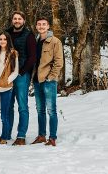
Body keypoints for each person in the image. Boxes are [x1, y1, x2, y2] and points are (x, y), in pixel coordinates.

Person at [5, 11, 36, 145]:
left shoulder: (28, 35)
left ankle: (21, 136)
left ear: (23, 20)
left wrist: (22, 72)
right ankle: (6, 134)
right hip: (7, 74)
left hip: (21, 75)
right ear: (12, 20)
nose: (17, 21)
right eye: (14, 18)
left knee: (22, 106)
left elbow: (33, 57)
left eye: (19, 19)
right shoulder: (6, 34)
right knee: (8, 105)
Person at [31, 17, 63, 146]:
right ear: (36, 27)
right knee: (40, 110)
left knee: (51, 110)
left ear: (48, 26)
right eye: (39, 24)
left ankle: (52, 138)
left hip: (48, 81)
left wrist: (51, 77)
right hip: (37, 80)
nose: (41, 26)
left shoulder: (55, 41)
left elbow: (59, 62)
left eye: (44, 24)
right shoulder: (35, 41)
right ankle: (41, 136)